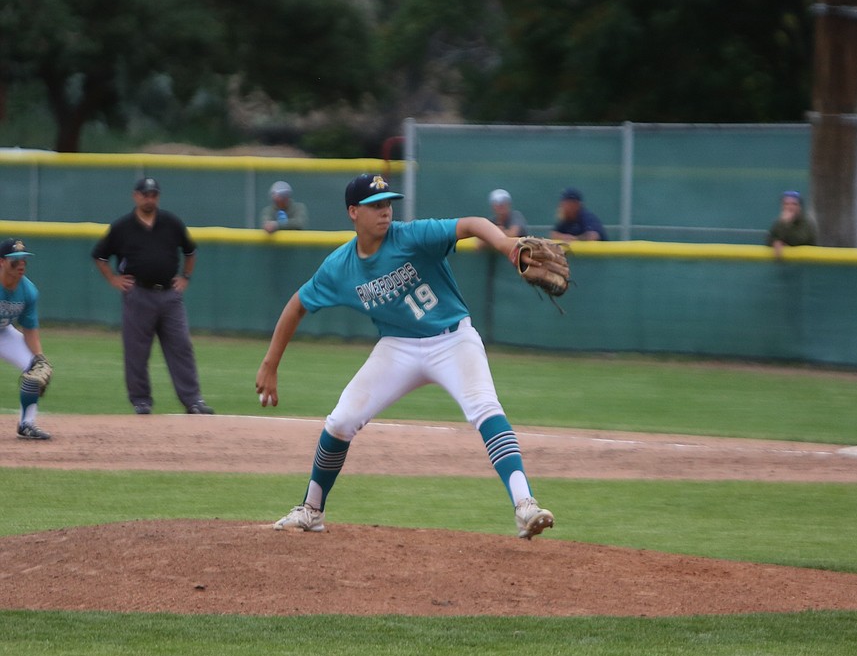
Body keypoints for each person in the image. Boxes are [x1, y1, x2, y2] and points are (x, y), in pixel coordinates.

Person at [256, 172, 555, 540]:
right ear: (353, 212)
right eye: (375, 205)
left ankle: (525, 505)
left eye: (387, 204)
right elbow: (297, 305)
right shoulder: (340, 266)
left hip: (452, 340)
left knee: (485, 409)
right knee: (340, 420)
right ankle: (311, 510)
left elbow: (472, 224)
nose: (385, 212)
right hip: (397, 347)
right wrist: (271, 363)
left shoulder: (412, 236)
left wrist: (507, 242)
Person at [91, 177, 215, 415]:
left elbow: (190, 251)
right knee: (137, 351)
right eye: (145, 194)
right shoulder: (122, 227)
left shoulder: (171, 222)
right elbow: (100, 255)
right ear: (135, 196)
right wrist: (113, 279)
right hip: (138, 294)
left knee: (181, 347)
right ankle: (141, 400)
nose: (150, 198)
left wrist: (186, 277)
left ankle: (193, 400)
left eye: (153, 194)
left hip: (170, 295)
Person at [0, 238, 52, 440]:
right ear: (2, 262)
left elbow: (30, 329)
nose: (21, 265)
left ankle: (27, 424)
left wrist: (39, 357)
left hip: (3, 332)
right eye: (15, 260)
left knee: (34, 368)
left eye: (24, 260)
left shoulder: (28, 291)